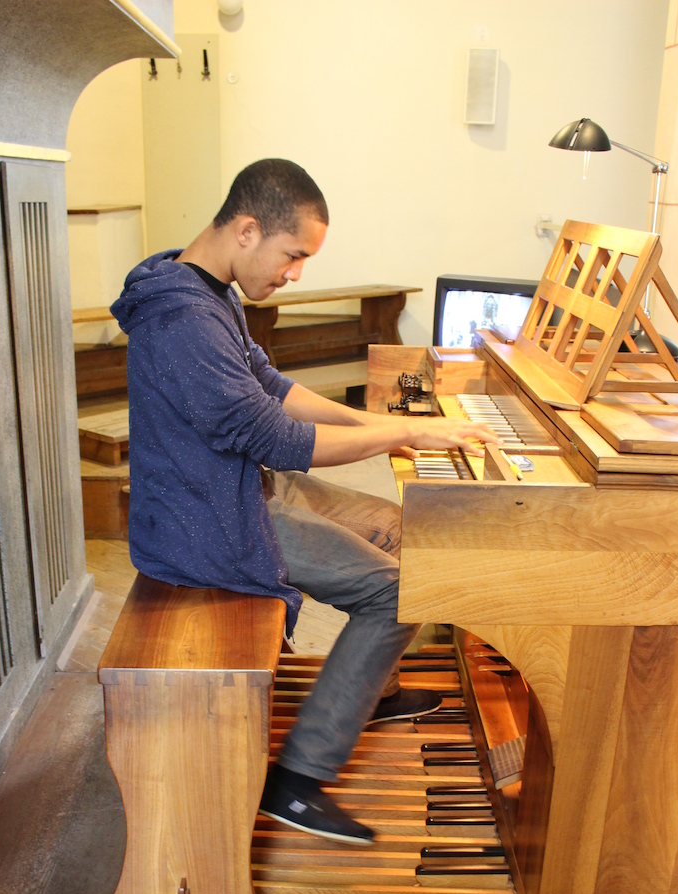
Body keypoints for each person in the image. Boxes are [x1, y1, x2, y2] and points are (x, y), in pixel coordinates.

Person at [111, 159, 497, 845]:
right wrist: (403, 432)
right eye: (293, 256)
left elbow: (271, 386)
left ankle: (368, 689)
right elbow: (279, 439)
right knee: (397, 592)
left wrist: (383, 423)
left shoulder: (206, 286)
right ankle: (296, 783)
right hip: (205, 521)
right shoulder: (182, 318)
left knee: (397, 526)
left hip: (234, 484)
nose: (295, 275)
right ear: (247, 230)